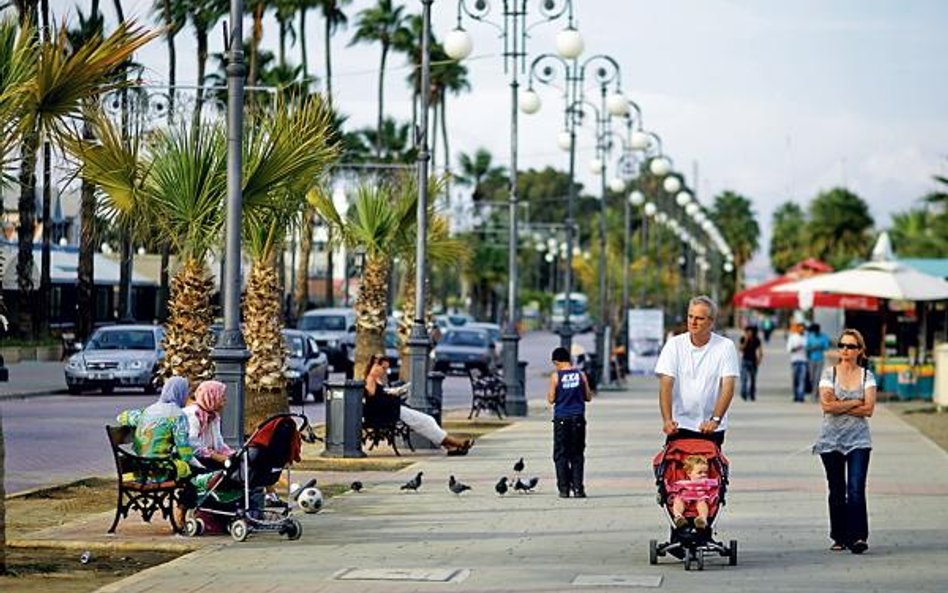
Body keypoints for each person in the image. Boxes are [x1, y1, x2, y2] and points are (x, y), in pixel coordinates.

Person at [813, 329, 876, 555]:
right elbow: (827, 406)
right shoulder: (829, 373)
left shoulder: (867, 376)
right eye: (842, 345)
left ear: (860, 350)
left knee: (856, 488)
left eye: (850, 346)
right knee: (837, 489)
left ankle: (858, 536)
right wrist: (855, 401)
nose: (845, 350)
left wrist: (842, 402)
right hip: (831, 440)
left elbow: (869, 409)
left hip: (859, 440)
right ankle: (839, 536)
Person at [655, 295, 740, 447]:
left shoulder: (725, 347)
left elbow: (728, 386)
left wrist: (715, 420)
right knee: (674, 468)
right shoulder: (674, 345)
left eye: (700, 318)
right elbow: (666, 384)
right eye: (690, 316)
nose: (693, 322)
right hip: (680, 424)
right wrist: (667, 420)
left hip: (709, 426)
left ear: (711, 322)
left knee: (704, 469)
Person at [116, 376, 194, 525]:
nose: (187, 396)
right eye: (186, 392)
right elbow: (184, 452)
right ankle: (183, 515)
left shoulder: (148, 411)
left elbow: (121, 417)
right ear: (180, 393)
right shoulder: (178, 415)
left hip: (140, 469)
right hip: (160, 470)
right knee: (192, 473)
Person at [363, 353, 473, 454]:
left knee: (428, 421)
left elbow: (379, 397)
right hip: (390, 413)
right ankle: (458, 443)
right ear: (375, 365)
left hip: (395, 410)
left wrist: (393, 393)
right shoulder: (370, 380)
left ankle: (451, 446)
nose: (384, 371)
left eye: (386, 368)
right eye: (383, 368)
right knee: (426, 422)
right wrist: (392, 395)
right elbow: (374, 402)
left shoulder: (377, 380)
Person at [546, 346, 594, 498]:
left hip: (562, 419)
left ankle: (564, 489)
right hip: (578, 418)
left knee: (561, 454)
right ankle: (578, 489)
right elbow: (588, 397)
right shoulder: (581, 375)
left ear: (556, 361)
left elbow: (551, 399)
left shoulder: (556, 376)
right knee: (577, 454)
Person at [183, 380, 235, 472]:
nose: (225, 400)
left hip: (208, 457)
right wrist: (216, 457)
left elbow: (218, 443)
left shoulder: (213, 416)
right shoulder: (193, 415)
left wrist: (231, 454)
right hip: (194, 460)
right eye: (222, 397)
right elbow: (192, 445)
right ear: (211, 397)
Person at [669, 454, 719, 529]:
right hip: (684, 497)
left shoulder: (706, 482)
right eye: (700, 472)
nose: (703, 475)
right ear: (689, 473)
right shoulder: (683, 483)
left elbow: (716, 484)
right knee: (678, 500)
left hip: (700, 497)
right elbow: (673, 488)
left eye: (705, 472)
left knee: (702, 504)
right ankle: (678, 517)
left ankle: (702, 518)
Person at [806, 323, 831, 402]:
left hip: (820, 359)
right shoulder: (810, 337)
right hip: (811, 359)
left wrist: (820, 346)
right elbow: (807, 347)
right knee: (812, 377)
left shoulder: (824, 337)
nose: (815, 333)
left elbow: (826, 347)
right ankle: (815, 391)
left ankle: (814, 394)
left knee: (817, 377)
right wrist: (811, 348)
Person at [738, 325, 763, 401]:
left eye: (750, 331)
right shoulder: (743, 339)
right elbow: (741, 349)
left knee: (753, 379)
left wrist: (759, 359)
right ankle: (744, 394)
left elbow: (760, 350)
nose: (749, 333)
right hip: (745, 361)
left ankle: (752, 394)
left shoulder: (756, 340)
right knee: (744, 379)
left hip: (753, 361)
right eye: (747, 331)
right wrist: (746, 340)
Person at [787, 323, 808, 402]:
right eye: (800, 328)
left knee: (802, 379)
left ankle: (801, 396)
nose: (801, 330)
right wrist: (797, 348)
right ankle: (796, 395)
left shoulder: (806, 338)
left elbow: (808, 348)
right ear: (797, 329)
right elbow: (789, 349)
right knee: (795, 380)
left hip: (804, 361)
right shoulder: (793, 337)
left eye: (803, 329)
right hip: (795, 361)